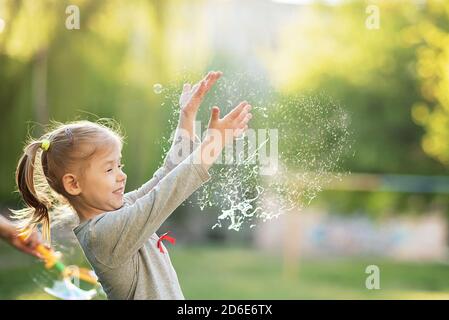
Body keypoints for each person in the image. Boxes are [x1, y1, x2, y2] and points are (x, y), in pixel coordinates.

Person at [11, 71, 253, 299]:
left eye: (120, 165)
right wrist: (213, 145)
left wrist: (186, 117)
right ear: (73, 184)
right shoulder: (102, 235)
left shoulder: (119, 211)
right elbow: (164, 195)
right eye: (109, 169)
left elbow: (166, 176)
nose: (121, 176)